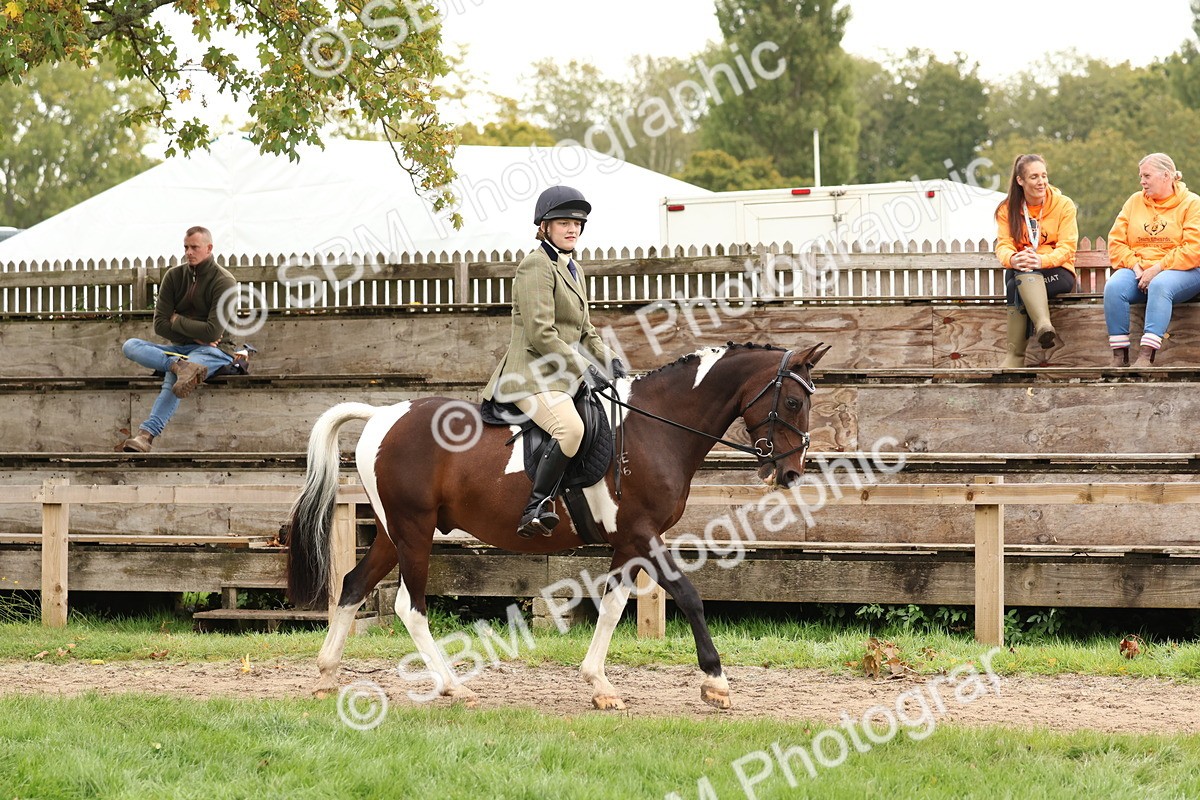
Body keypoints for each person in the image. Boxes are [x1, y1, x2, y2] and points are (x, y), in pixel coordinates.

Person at [482, 186, 625, 538]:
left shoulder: (574, 269)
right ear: (544, 227)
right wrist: (584, 368)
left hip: (562, 377)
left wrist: (611, 362)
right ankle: (535, 506)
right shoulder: (536, 265)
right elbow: (541, 333)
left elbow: (586, 331)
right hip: (530, 376)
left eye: (577, 223)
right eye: (564, 223)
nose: (572, 229)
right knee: (570, 429)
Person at [119, 226, 237, 452]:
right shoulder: (173, 277)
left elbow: (213, 333)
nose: (189, 252)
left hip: (215, 351)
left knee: (178, 375)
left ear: (209, 248)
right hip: (180, 350)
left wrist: (177, 320)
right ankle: (176, 365)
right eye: (186, 247)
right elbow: (160, 325)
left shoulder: (224, 281)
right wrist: (197, 334)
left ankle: (145, 436)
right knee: (130, 346)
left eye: (195, 247)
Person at [1104, 153, 1200, 367]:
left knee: (1160, 285)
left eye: (1146, 176)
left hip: (1184, 270)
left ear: (1166, 176)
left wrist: (1157, 268)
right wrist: (1135, 266)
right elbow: (1116, 242)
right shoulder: (1134, 201)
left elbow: (1193, 249)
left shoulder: (1192, 203)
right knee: (1114, 287)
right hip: (1139, 269)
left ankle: (1146, 356)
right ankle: (1119, 357)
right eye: (1141, 176)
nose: (1142, 181)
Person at [993, 154, 1078, 368]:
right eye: (1034, 177)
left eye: (1044, 176)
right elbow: (1003, 245)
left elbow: (1068, 247)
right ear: (1020, 180)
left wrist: (1041, 260)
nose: (1041, 182)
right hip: (1023, 270)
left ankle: (1015, 357)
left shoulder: (1063, 205)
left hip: (1058, 271)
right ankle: (1042, 326)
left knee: (1015, 283)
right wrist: (1013, 258)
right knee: (1018, 275)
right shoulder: (1006, 209)